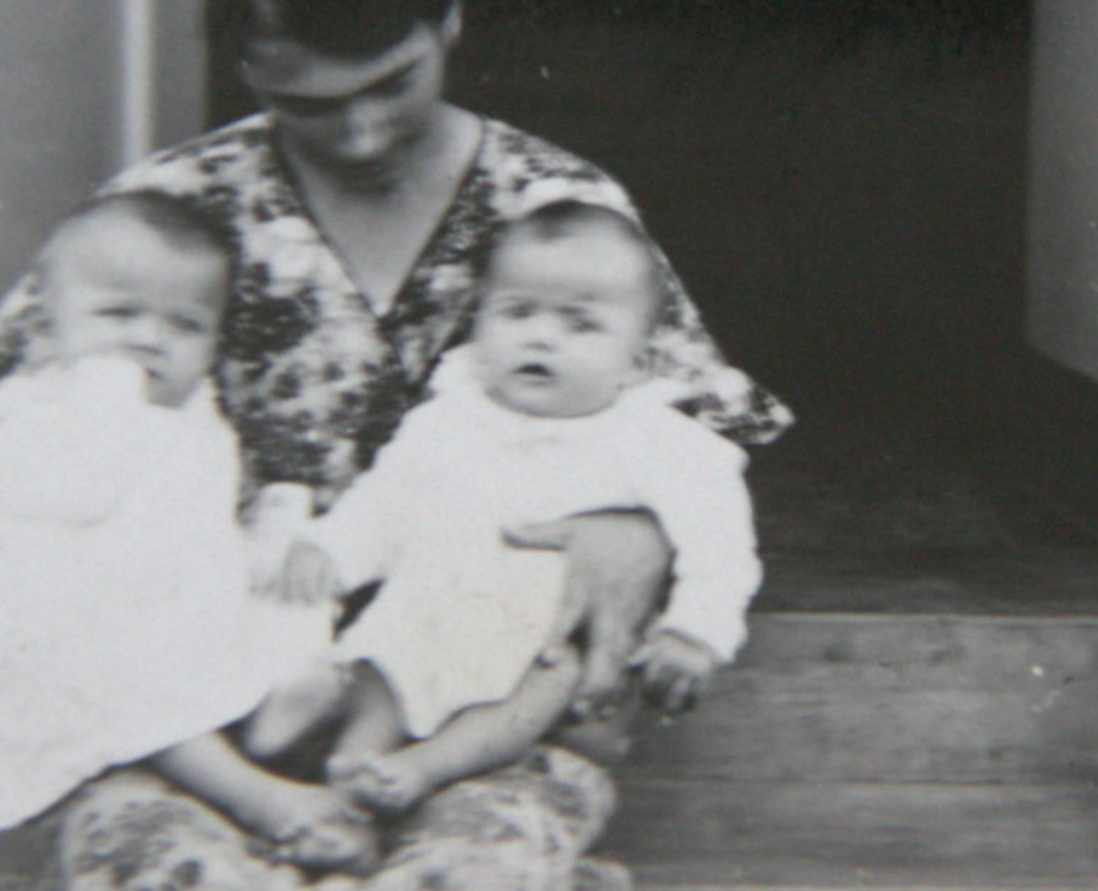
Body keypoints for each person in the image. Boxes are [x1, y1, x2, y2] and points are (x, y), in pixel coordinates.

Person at [0, 0, 788, 891]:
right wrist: (71, 553)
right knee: (164, 890)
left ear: (454, 15)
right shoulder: (173, 208)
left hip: (478, 692)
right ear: (240, 61)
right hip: (200, 692)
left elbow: (691, 435)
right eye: (308, 98)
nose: (364, 131)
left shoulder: (555, 204)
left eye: (393, 81)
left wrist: (636, 528)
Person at [243, 199, 760, 825]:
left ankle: (423, 767)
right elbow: (383, 504)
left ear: (639, 360)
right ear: (480, 322)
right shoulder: (447, 419)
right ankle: (350, 774)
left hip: (537, 638)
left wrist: (695, 632)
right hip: (426, 610)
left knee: (548, 680)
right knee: (381, 659)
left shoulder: (656, 441)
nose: (540, 336)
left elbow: (719, 543)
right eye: (517, 313)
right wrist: (330, 551)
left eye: (580, 325)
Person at [0, 192, 359, 862]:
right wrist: (109, 394)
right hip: (68, 610)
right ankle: (253, 793)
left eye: (185, 324)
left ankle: (280, 704)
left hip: (169, 587)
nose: (150, 339)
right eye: (117, 315)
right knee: (134, 670)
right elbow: (74, 497)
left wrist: (272, 528)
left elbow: (203, 513)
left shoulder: (192, 409)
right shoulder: (42, 408)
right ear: (47, 328)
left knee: (286, 587)